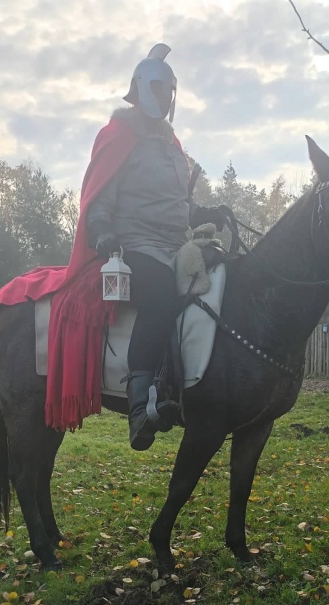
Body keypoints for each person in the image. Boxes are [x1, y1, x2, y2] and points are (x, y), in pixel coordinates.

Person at [85, 44, 226, 451]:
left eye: (170, 91)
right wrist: (102, 229)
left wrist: (203, 212)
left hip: (175, 244)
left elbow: (178, 203)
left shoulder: (172, 145)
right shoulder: (119, 136)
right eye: (159, 89)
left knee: (218, 279)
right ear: (144, 88)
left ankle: (189, 386)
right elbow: (99, 197)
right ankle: (137, 405)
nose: (165, 98)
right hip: (133, 243)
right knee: (162, 293)